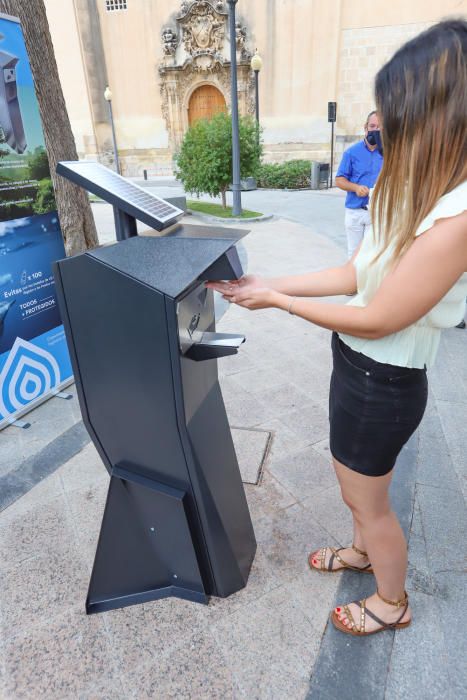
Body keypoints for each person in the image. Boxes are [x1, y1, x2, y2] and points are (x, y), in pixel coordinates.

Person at [207, 19, 467, 637]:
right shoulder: (408, 190)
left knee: (371, 501)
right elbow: (354, 273)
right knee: (350, 483)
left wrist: (277, 302)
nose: (385, 130)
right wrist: (268, 284)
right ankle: (360, 549)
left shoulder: (457, 217)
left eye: (397, 117)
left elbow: (379, 317)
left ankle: (391, 601)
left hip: (386, 379)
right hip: (352, 362)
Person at [336, 111, 383, 259]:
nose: (375, 130)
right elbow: (339, 180)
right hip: (354, 212)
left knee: (371, 254)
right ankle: (352, 282)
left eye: (379, 127)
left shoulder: (388, 153)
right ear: (365, 127)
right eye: (372, 126)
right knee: (354, 254)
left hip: (375, 212)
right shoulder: (351, 152)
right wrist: (356, 188)